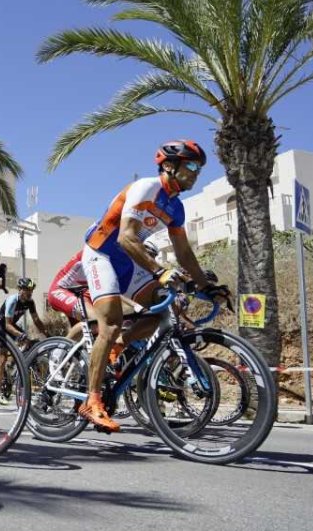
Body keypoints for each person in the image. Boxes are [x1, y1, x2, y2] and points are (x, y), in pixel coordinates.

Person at [69, 140, 229, 432]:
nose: (196, 173)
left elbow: (184, 253)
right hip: (101, 253)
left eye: (199, 168)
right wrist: (159, 271)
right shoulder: (146, 188)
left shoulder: (175, 208)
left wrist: (206, 286)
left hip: (130, 262)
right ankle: (91, 402)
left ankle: (118, 349)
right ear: (169, 165)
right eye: (191, 165)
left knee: (160, 311)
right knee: (112, 322)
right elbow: (125, 238)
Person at [0, 277, 45, 391]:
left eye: (31, 290)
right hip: (0, 326)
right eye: (27, 289)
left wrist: (47, 334)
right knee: (2, 359)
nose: (30, 292)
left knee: (29, 343)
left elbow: (36, 320)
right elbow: (7, 325)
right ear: (20, 289)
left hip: (11, 325)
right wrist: (19, 335)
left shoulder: (30, 302)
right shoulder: (12, 300)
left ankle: (12, 365)